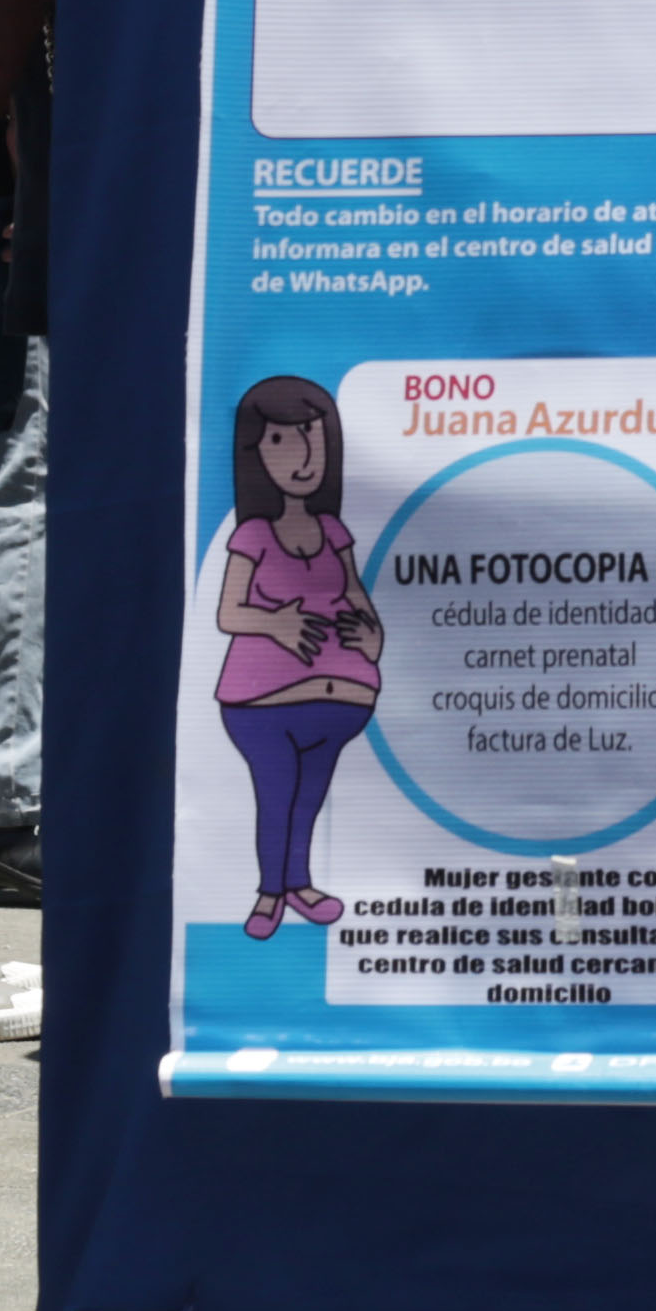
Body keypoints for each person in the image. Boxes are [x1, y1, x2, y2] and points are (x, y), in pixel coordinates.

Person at [207, 377, 381, 939]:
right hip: (263, 702)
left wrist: (372, 639)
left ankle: (298, 885)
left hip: (343, 699)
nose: (303, 454)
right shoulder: (254, 535)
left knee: (308, 799)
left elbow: (355, 595)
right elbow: (230, 611)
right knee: (277, 795)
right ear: (255, 453)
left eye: (312, 434)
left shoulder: (332, 530)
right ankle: (269, 893)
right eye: (282, 440)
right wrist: (276, 623)